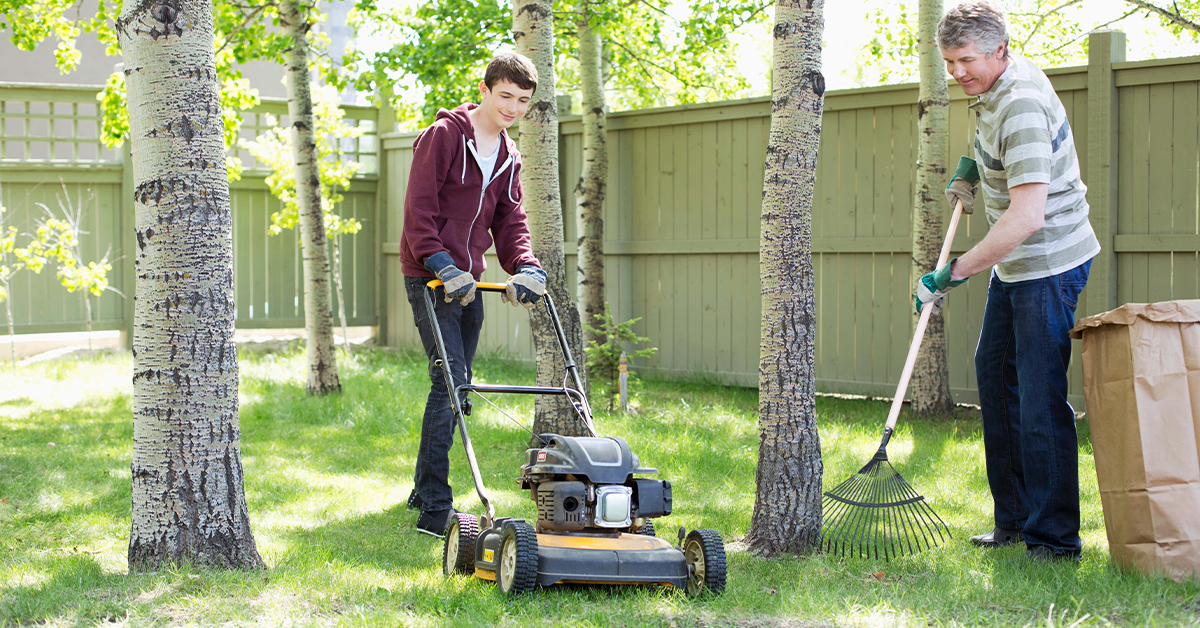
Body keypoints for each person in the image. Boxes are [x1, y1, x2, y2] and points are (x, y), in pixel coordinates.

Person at [914, 0, 1100, 561]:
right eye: (948, 62)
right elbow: (1001, 153)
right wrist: (971, 171)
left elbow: (1027, 216)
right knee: (996, 380)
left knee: (1039, 399)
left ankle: (1054, 539)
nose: (957, 73)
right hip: (1016, 260)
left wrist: (952, 273)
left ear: (999, 50)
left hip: (1047, 260)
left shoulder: (1017, 101)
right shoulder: (995, 87)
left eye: (965, 60)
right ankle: (1015, 521)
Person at [399, 52, 549, 537]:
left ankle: (423, 487)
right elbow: (419, 208)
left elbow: (510, 221)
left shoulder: (509, 156)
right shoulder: (443, 137)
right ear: (484, 90)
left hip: (469, 279)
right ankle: (435, 509)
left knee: (456, 386)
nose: (513, 107)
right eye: (505, 96)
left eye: (523, 101)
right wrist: (440, 261)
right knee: (450, 382)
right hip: (430, 275)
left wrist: (525, 265)